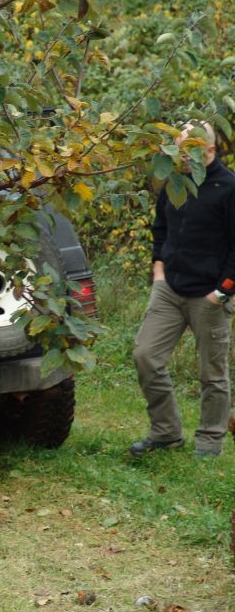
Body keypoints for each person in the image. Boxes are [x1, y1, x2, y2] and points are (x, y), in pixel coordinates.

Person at [132, 121, 235, 457]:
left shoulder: (228, 187)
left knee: (212, 375)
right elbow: (160, 228)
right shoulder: (174, 182)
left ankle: (209, 443)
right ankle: (165, 433)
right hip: (169, 290)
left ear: (209, 149)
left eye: (189, 148)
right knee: (146, 356)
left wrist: (221, 292)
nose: (181, 155)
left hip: (209, 297)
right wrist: (158, 271)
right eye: (178, 147)